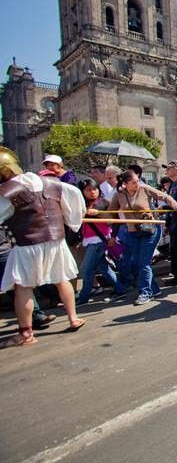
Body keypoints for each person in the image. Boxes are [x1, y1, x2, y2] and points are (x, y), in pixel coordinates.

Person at [0, 146, 86, 346]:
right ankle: (73, 318)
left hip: (27, 243)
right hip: (55, 240)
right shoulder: (52, 183)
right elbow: (74, 199)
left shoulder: (7, 192)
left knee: (23, 287)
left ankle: (27, 333)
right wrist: (72, 221)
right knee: (62, 278)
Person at [108, 170, 177, 305]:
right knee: (137, 262)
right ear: (125, 184)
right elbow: (111, 213)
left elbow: (165, 197)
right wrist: (95, 213)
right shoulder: (119, 195)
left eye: (137, 180)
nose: (137, 184)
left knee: (144, 263)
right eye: (134, 182)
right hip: (133, 232)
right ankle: (154, 288)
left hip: (150, 229)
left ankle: (145, 292)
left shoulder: (144, 189)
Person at [75, 178, 119, 305]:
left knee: (86, 269)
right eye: (88, 190)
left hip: (100, 239)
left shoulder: (104, 201)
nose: (92, 192)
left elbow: (114, 219)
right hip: (89, 239)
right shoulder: (81, 204)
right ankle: (120, 289)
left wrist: (98, 213)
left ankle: (84, 297)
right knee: (103, 267)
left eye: (94, 189)